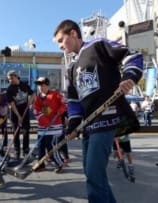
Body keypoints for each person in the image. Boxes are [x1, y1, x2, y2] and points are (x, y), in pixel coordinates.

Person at [53, 19, 143, 203]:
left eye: (62, 40)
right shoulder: (70, 69)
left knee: (94, 172)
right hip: (88, 125)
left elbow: (132, 55)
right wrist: (73, 125)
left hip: (107, 117)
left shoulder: (98, 45)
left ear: (73, 34)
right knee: (92, 173)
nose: (61, 46)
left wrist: (129, 76)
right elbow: (73, 101)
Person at [33, 77, 67, 173]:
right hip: (43, 126)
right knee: (40, 146)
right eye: (39, 85)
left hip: (55, 126)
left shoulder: (55, 94)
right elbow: (36, 111)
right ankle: (40, 165)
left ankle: (59, 163)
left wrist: (61, 110)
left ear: (47, 85)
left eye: (42, 85)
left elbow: (65, 103)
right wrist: (44, 121)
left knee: (50, 145)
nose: (40, 87)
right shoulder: (38, 97)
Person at [6, 70, 35, 159]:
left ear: (16, 76)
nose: (10, 80)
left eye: (12, 78)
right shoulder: (9, 89)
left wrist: (30, 102)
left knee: (26, 132)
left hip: (25, 112)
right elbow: (12, 104)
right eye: (9, 79)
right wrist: (18, 116)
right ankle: (17, 151)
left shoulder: (24, 85)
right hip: (15, 113)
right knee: (16, 132)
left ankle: (26, 151)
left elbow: (32, 94)